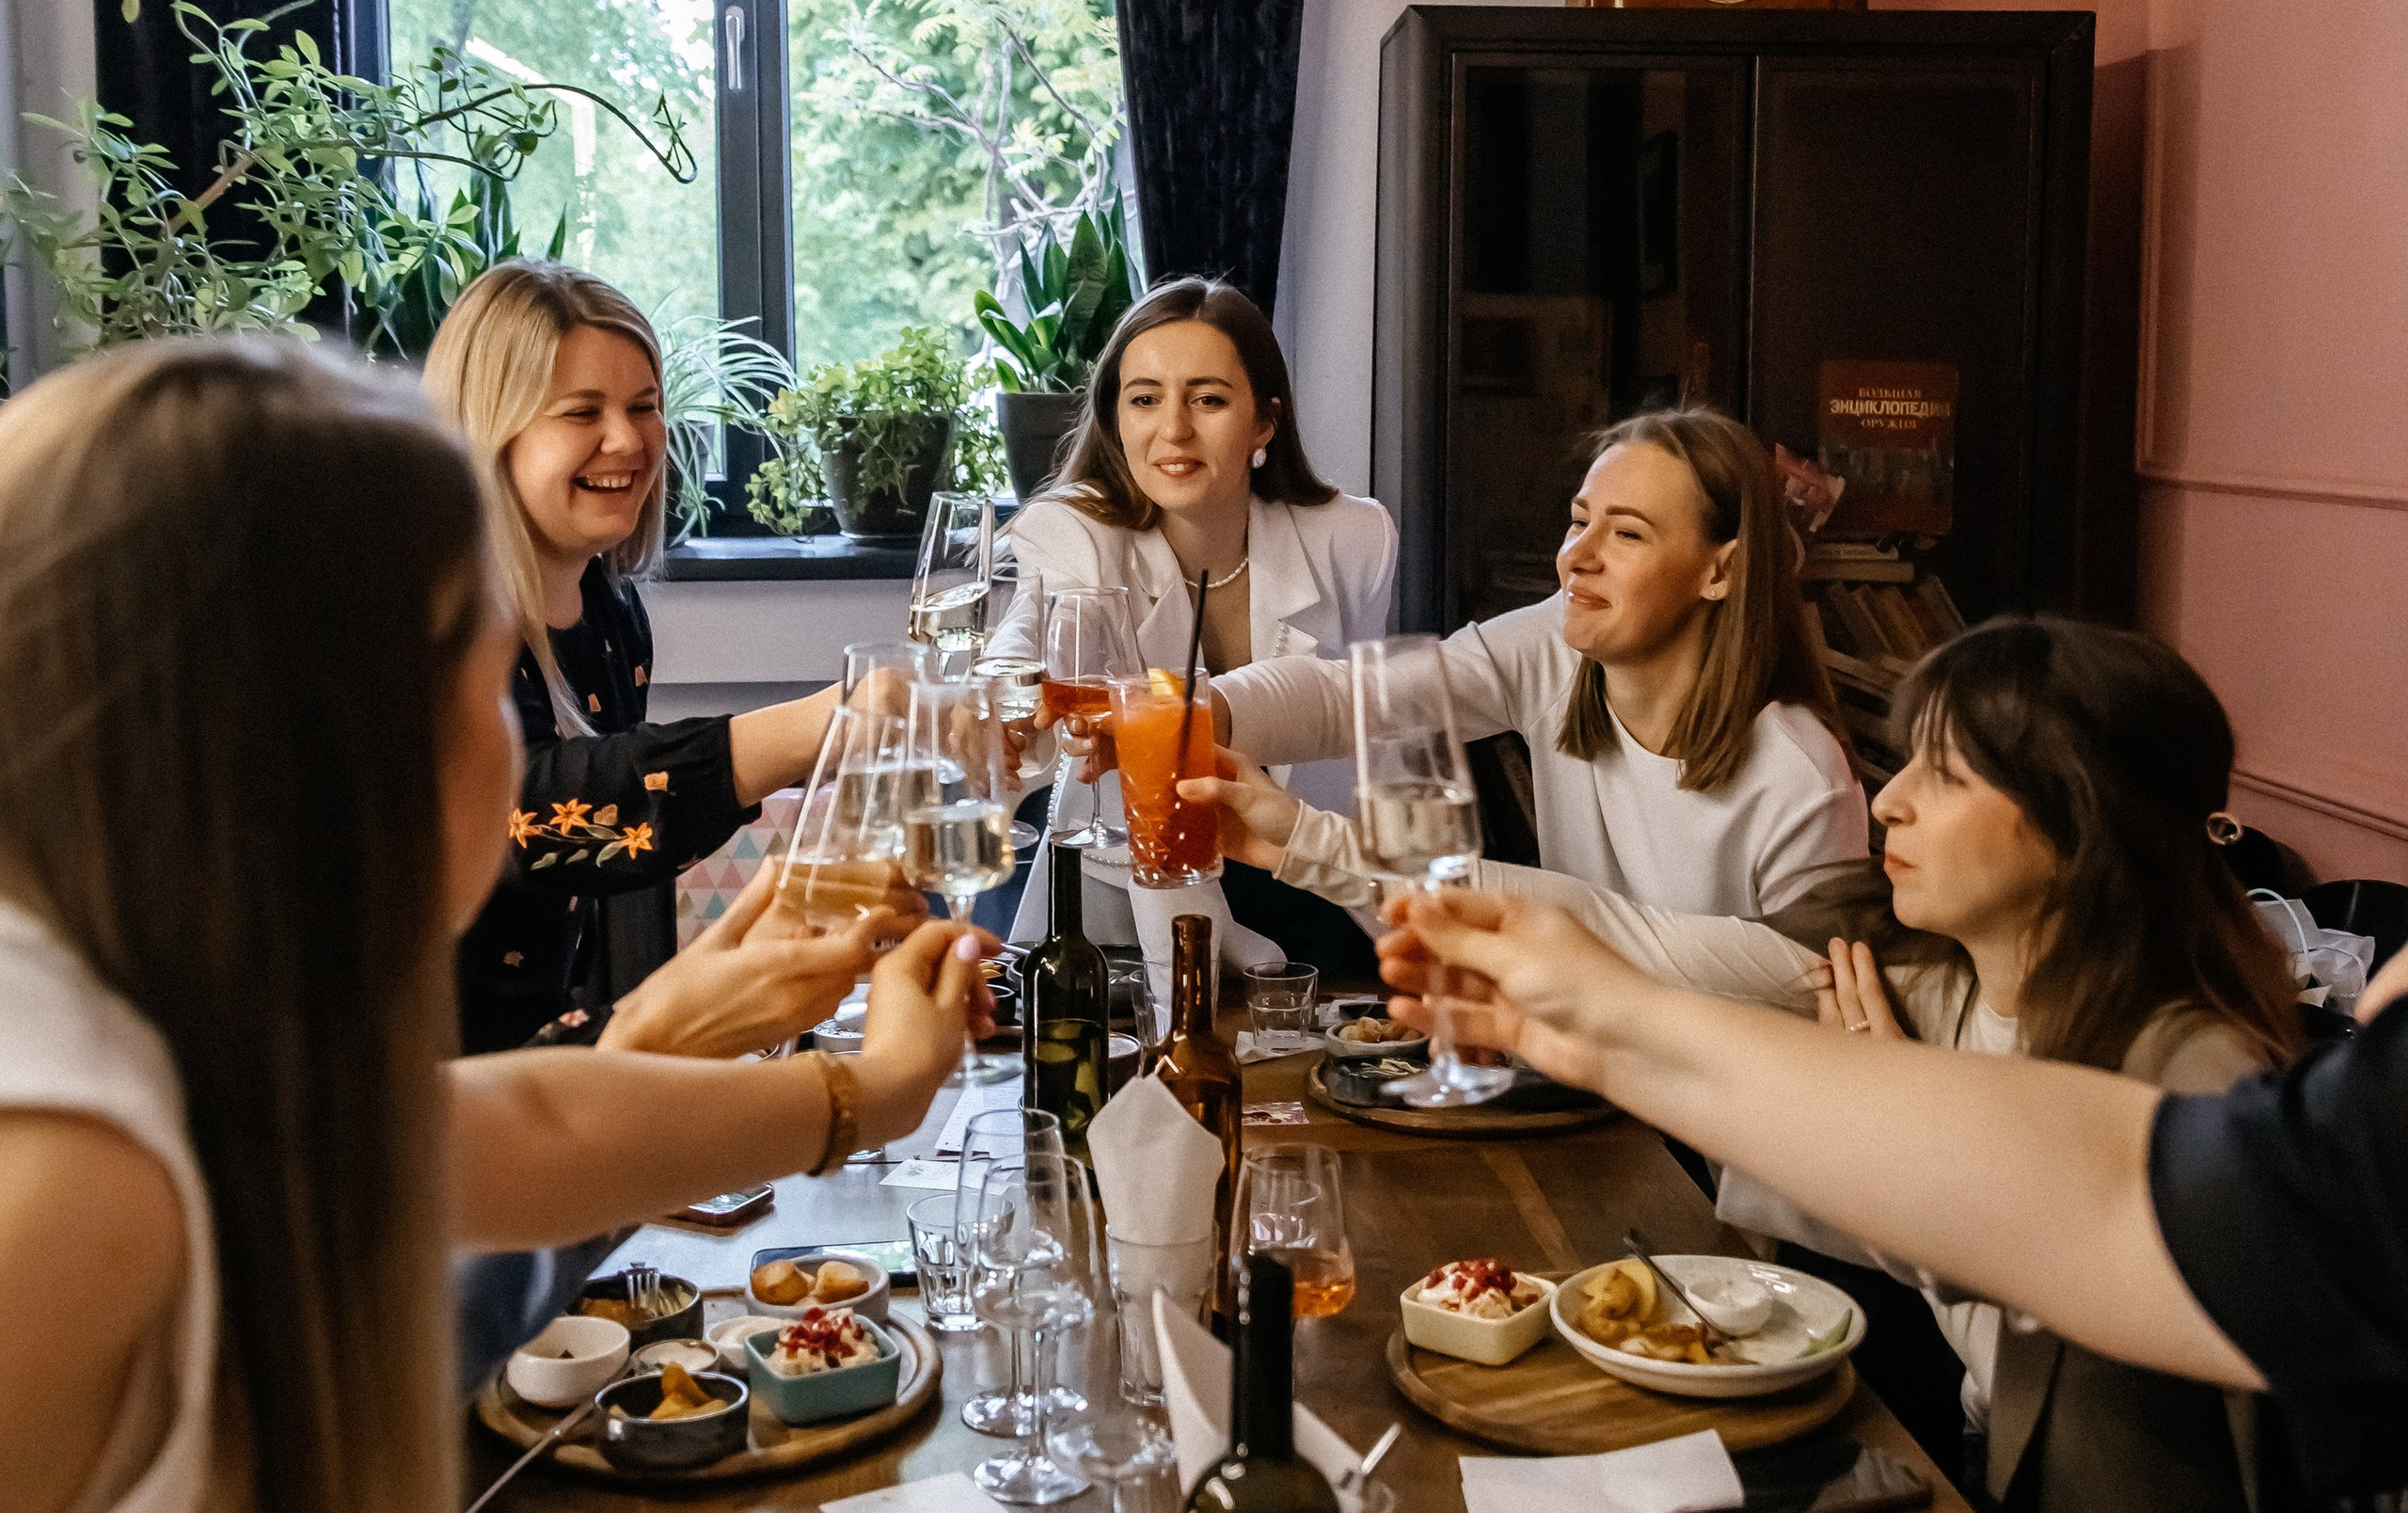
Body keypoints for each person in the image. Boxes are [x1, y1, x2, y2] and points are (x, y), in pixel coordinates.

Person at [0, 339, 990, 1513]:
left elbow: (511, 1124)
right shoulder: (69, 1180)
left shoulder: (158, 1030)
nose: (524, 744)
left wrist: (864, 1096)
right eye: (487, 665)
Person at [1247, 618, 2295, 1513]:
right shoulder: (1904, 978)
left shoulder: (2195, 1084)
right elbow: (1626, 948)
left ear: (2076, 817)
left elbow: (2273, 1484)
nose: (1889, 803)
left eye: (1941, 777)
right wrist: (1300, 840)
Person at [1383, 842, 2408, 1513]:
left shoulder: (2198, 1056)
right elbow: (2113, 1199)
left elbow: (2118, 1206)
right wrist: (1603, 1027)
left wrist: (1613, 1024)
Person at [423, 262, 894, 1051]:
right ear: (489, 430)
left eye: (646, 407)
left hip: (559, 1064)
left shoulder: (611, 611)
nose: (629, 440)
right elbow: (531, 819)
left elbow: (617, 854)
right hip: (437, 1091)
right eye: (582, 412)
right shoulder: (434, 621)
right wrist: (823, 724)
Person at [1208, 403, 1868, 932]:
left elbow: (1788, 1006)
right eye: (1579, 521)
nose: (1577, 556)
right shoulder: (1560, 647)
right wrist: (1204, 713)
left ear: (1721, 570)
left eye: (1628, 532)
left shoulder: (1801, 780)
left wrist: (1305, 840)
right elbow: (1349, 698)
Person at [990, 277, 1397, 976]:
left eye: (1207, 399)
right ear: (1116, 418)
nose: (1173, 428)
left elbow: (1360, 719)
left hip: (1309, 876)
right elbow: (1030, 633)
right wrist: (1004, 696)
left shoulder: (1354, 538)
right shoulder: (1072, 530)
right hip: (1132, 889)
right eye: (1144, 399)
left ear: (1264, 422)